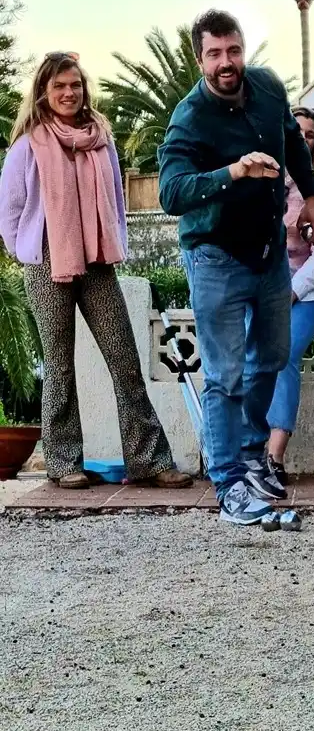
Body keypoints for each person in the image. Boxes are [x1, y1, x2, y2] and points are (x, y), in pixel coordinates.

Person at [158, 10, 314, 525]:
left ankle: (252, 451)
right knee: (225, 374)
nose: (226, 62)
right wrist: (232, 171)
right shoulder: (190, 118)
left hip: (268, 253)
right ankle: (229, 481)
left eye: (233, 51)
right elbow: (171, 193)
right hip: (213, 255)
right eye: (214, 53)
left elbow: (292, 141)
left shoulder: (269, 88)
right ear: (199, 58)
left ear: (242, 50)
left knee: (271, 357)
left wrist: (312, 197)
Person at [0, 52, 191, 490]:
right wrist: (27, 251)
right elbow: (9, 211)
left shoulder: (100, 140)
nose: (69, 93)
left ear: (84, 89)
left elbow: (118, 207)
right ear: (44, 94)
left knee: (124, 359)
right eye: (59, 87)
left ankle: (149, 460)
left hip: (98, 258)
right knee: (60, 365)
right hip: (47, 259)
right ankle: (64, 462)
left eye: (75, 85)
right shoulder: (29, 146)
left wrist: (111, 242)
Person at [266, 107, 314, 486]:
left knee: (283, 355)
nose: (303, 138)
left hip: (302, 296)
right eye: (297, 131)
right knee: (245, 359)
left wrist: (291, 293)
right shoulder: (263, 181)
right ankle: (245, 454)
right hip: (259, 290)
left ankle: (274, 456)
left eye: (310, 134)